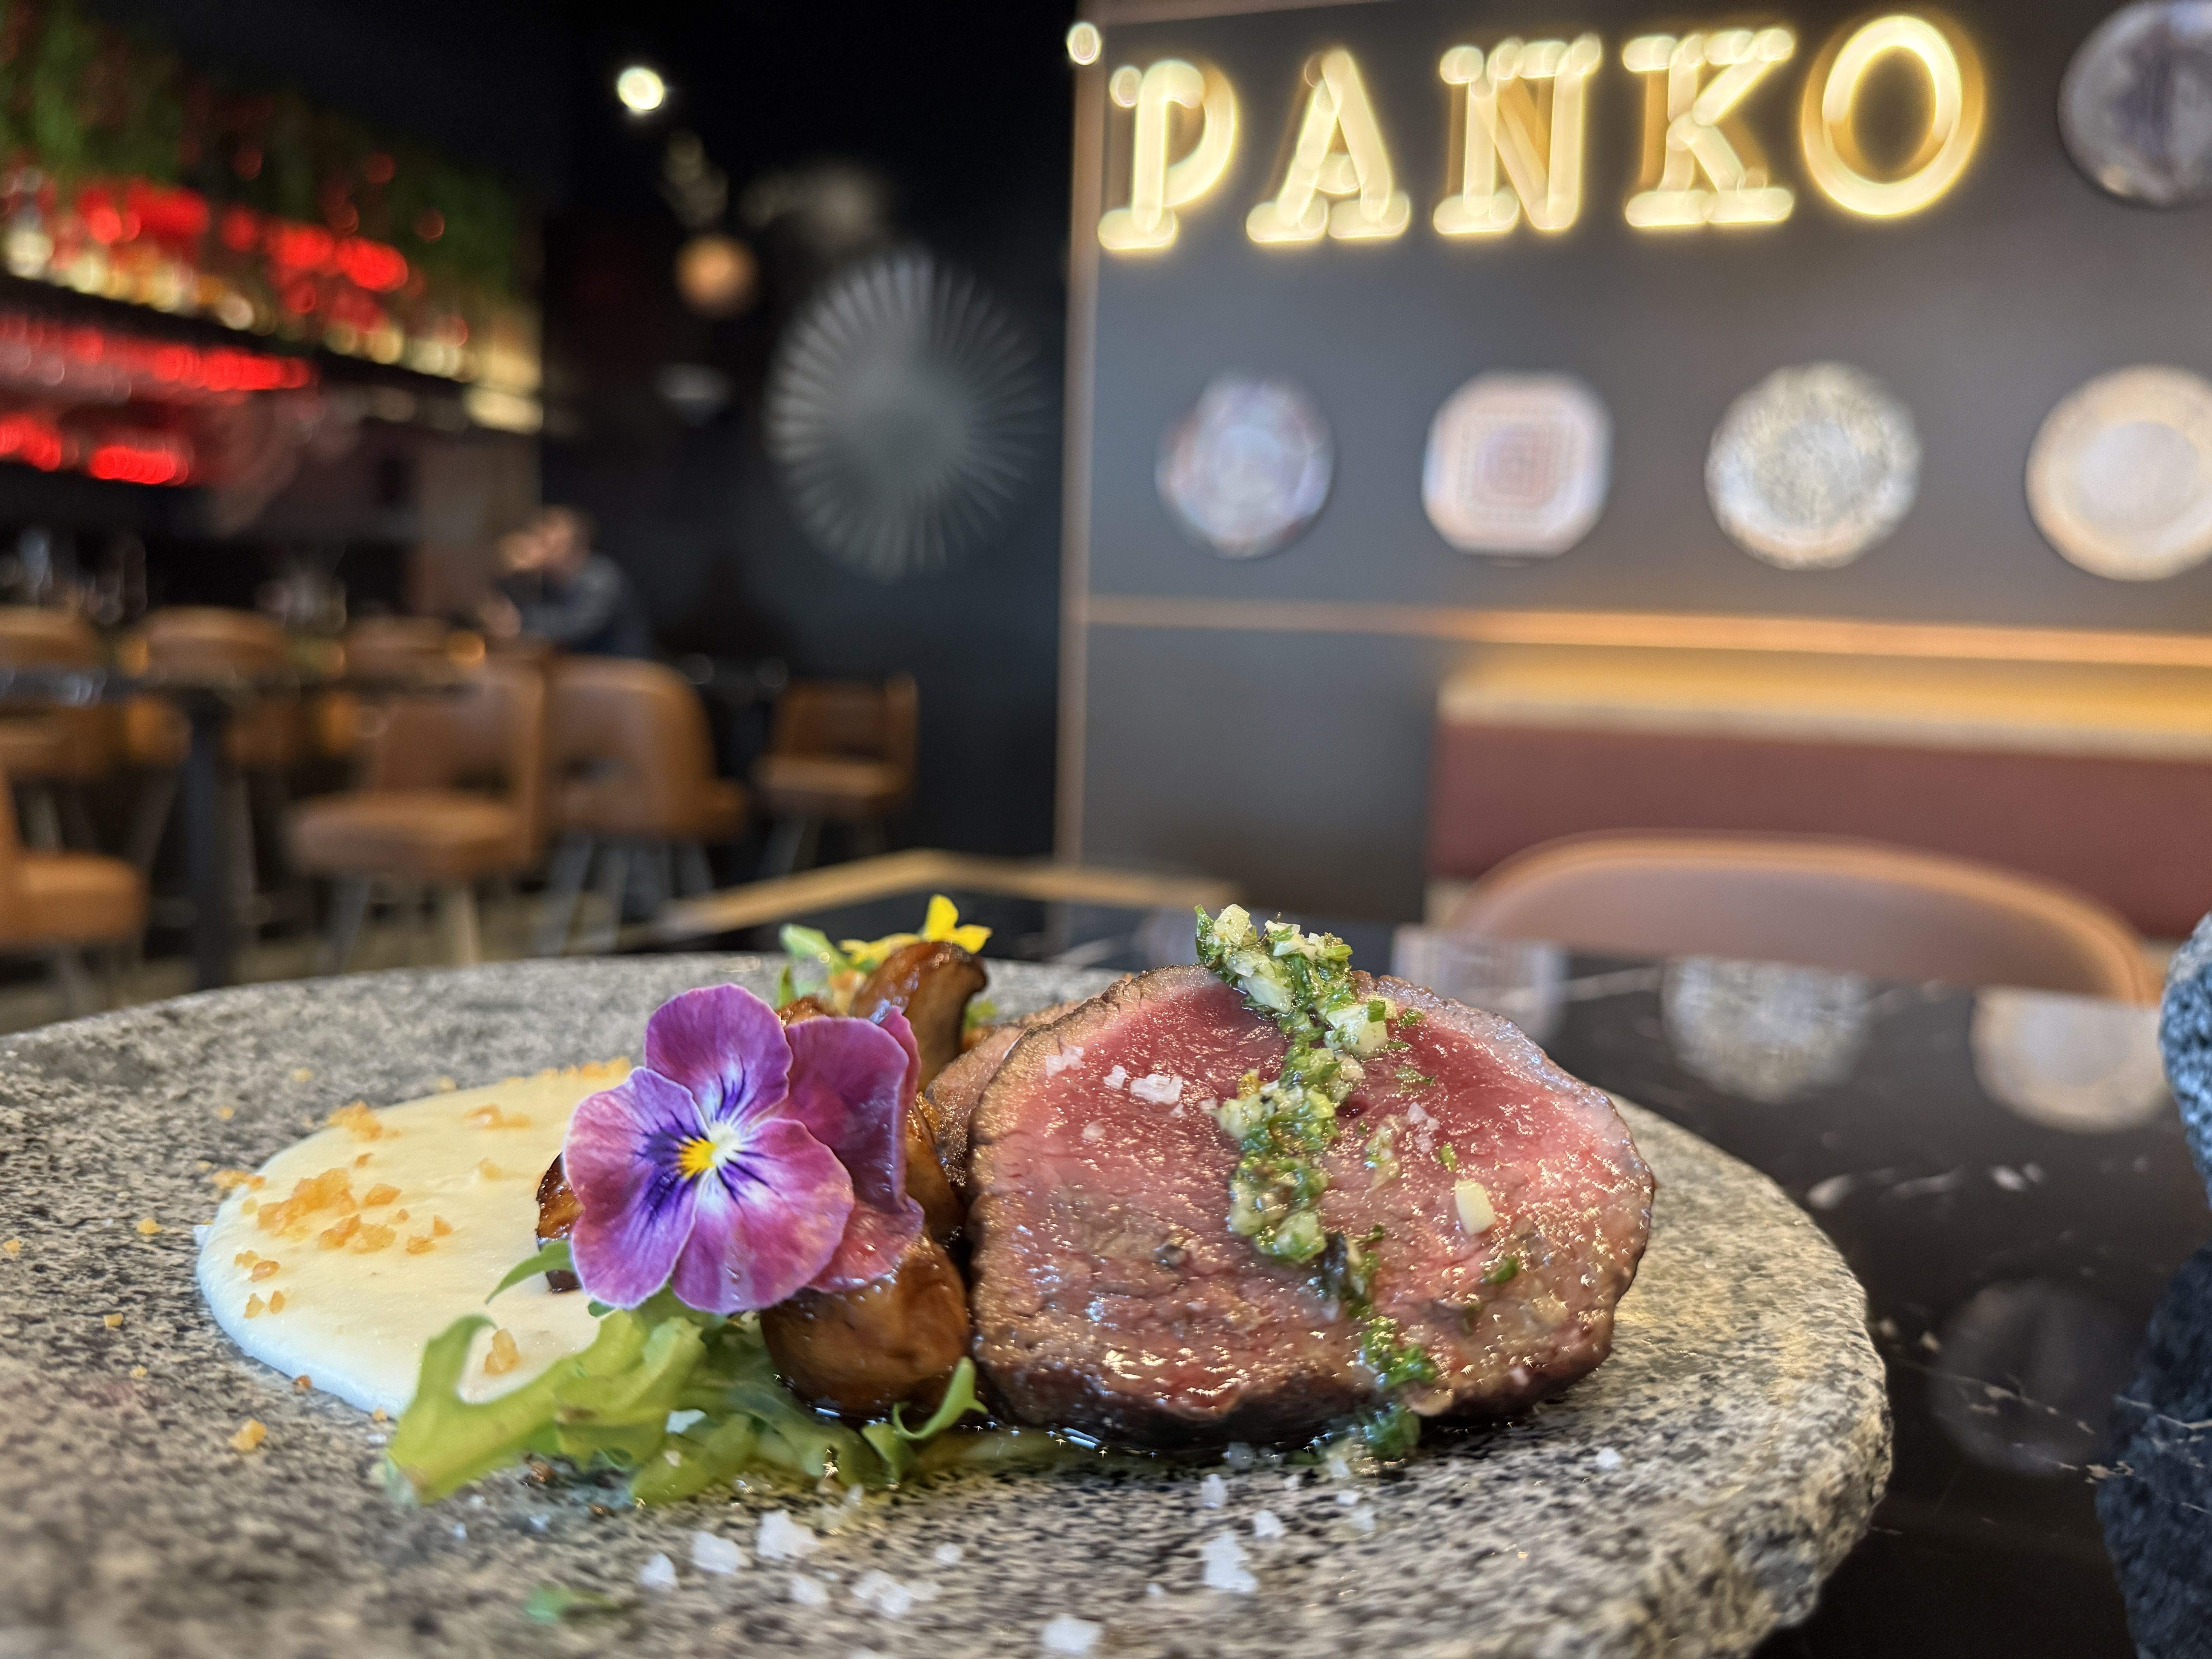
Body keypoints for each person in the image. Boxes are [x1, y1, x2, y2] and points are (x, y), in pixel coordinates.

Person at [478, 506, 654, 657]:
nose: (537, 548)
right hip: (576, 673)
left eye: (547, 542)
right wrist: (509, 571)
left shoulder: (601, 577)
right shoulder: (546, 580)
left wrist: (521, 622)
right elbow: (510, 613)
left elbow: (574, 628)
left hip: (621, 675)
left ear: (576, 547)